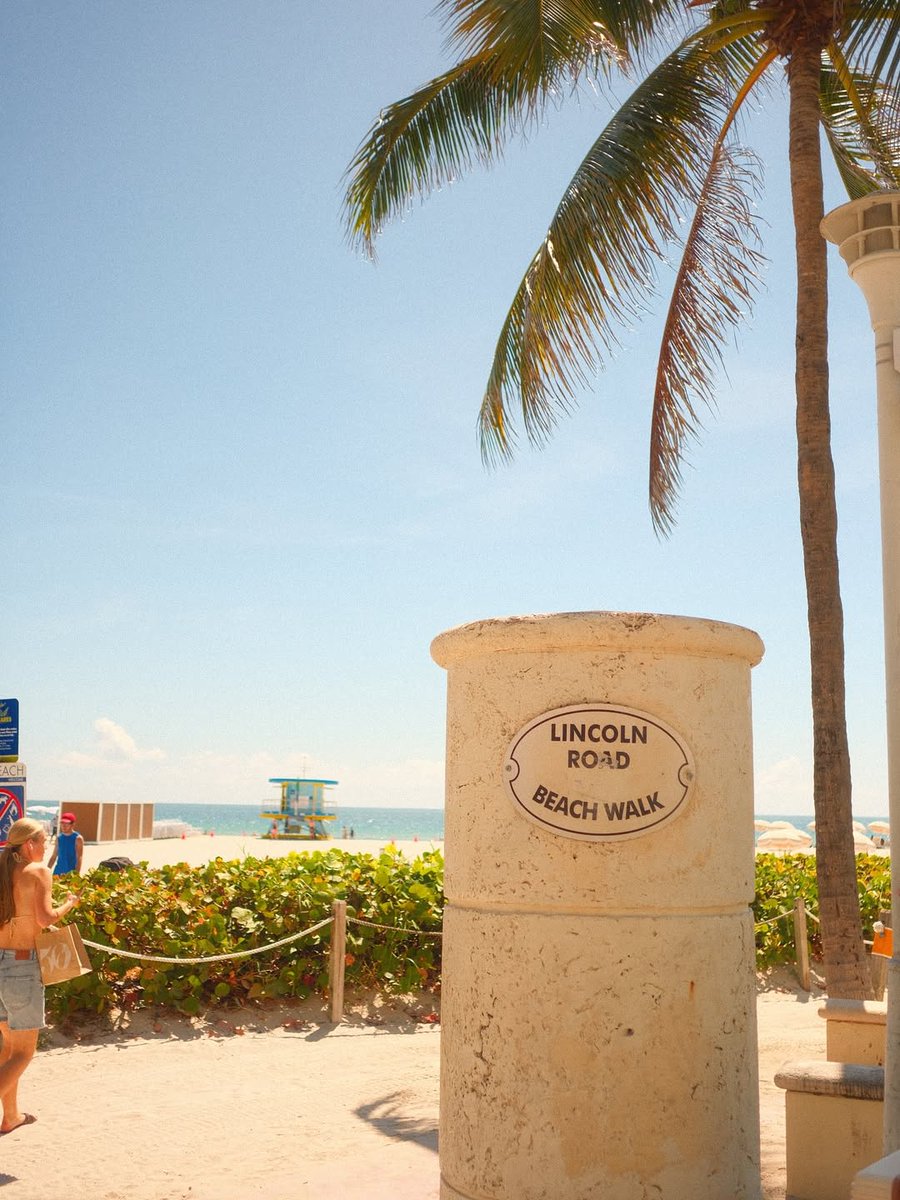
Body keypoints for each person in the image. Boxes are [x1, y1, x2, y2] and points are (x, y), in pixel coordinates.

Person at [0, 818, 79, 1135]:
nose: (47, 846)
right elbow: (45, 918)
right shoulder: (39, 872)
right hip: (21, 966)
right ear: (29, 844)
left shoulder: (2, 868)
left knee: (7, 1048)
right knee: (22, 1052)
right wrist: (68, 904)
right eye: (43, 840)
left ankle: (11, 1117)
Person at [48, 812, 83, 877]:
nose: (64, 826)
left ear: (73, 824)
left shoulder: (78, 838)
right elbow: (54, 856)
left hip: (71, 873)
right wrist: (47, 870)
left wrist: (76, 874)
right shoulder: (59, 838)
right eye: (62, 823)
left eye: (67, 824)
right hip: (58, 872)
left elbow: (79, 858)